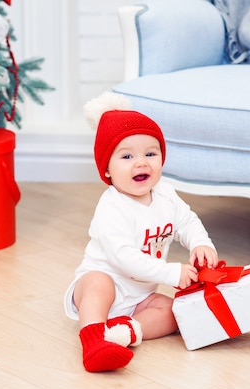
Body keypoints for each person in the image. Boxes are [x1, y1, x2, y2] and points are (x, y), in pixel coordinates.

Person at [64, 95, 219, 372]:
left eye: (151, 153)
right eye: (127, 156)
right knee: (99, 284)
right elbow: (123, 258)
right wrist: (172, 273)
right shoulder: (112, 207)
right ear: (107, 170)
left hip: (139, 297)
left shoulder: (166, 195)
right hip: (102, 284)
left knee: (172, 312)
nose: (141, 163)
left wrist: (200, 243)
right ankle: (93, 340)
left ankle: (124, 332)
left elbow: (187, 221)